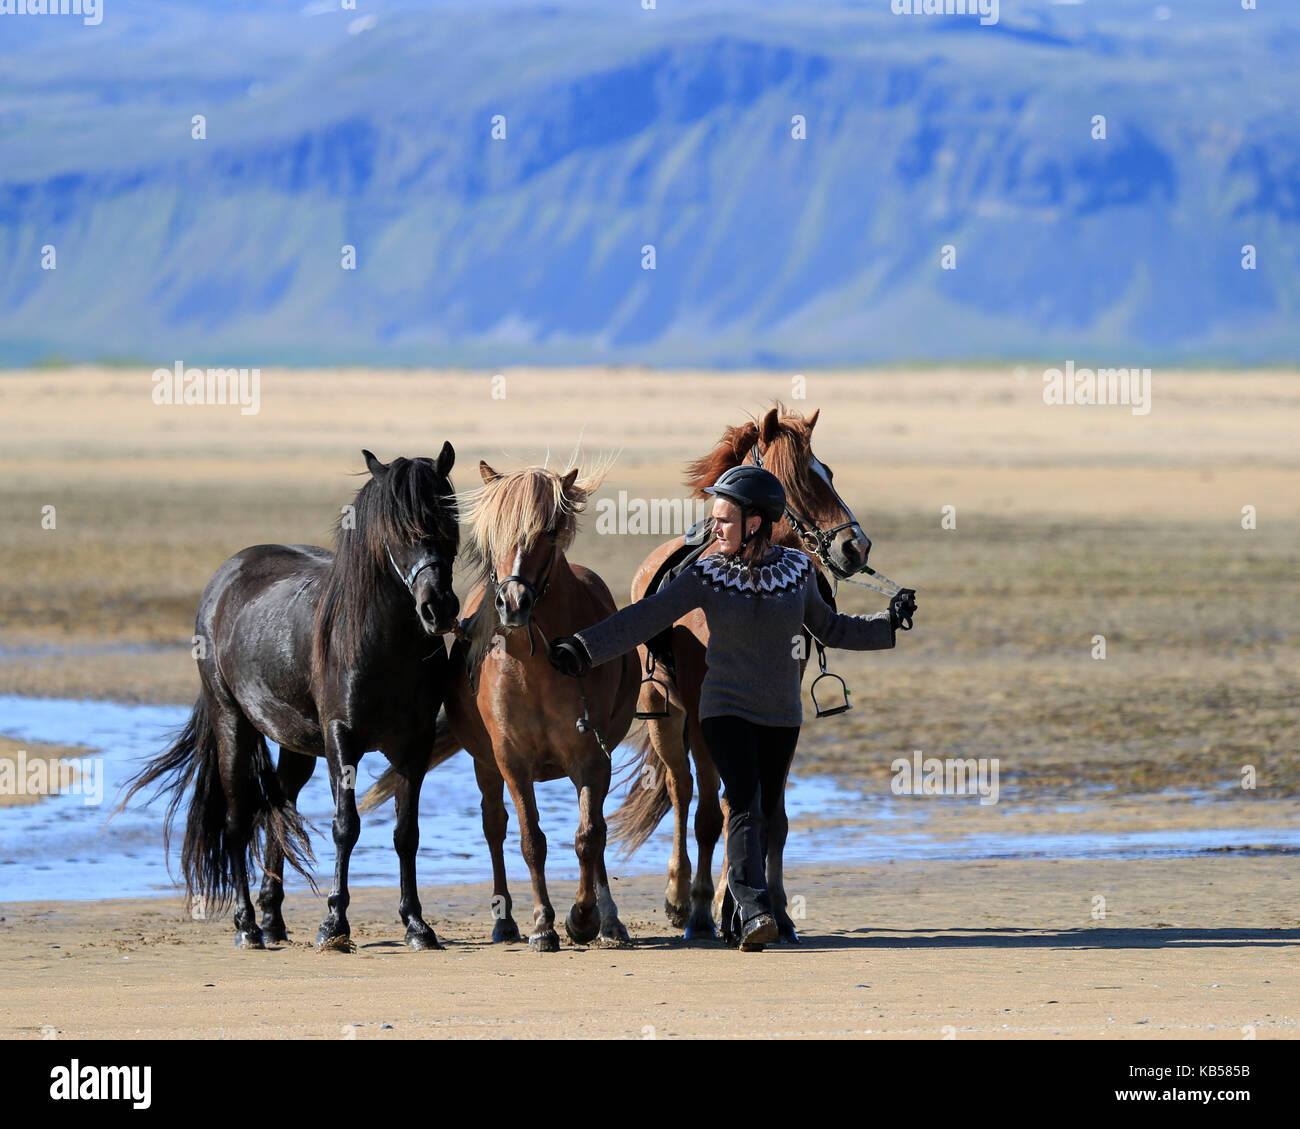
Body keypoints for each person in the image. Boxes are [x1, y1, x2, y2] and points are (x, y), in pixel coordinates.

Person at [547, 465, 918, 951]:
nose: (713, 527)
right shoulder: (703, 571)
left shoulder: (798, 572)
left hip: (781, 715)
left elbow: (831, 629)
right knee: (741, 801)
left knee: (763, 807)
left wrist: (887, 625)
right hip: (724, 710)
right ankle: (756, 909)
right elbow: (644, 617)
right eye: (715, 517)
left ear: (757, 523)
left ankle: (734, 914)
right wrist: (584, 647)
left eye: (724, 518)